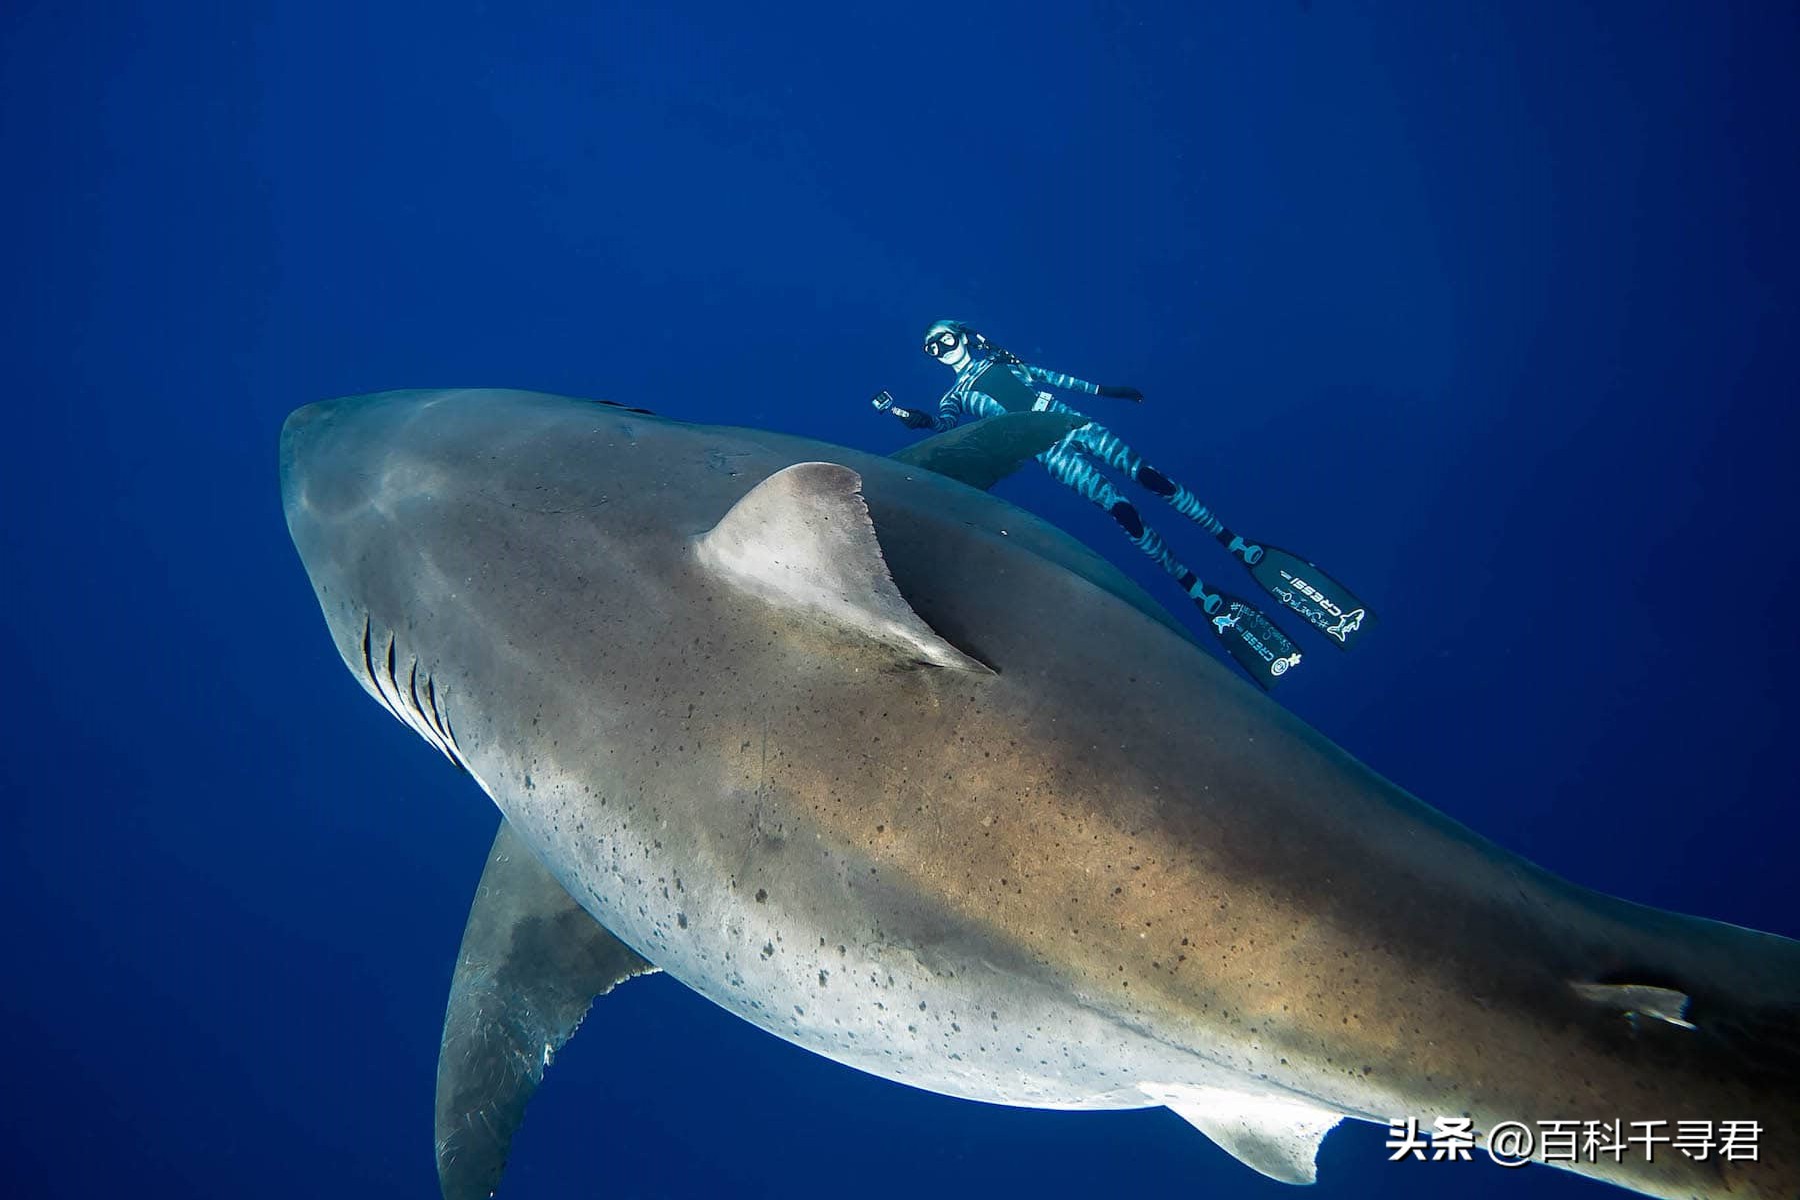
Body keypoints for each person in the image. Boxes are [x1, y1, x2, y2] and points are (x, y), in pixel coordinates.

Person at [874, 320, 1373, 688]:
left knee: (1152, 479)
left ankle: (1234, 543)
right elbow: (940, 427)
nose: (941, 350)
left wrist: (1112, 391)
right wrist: (900, 412)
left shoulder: (1005, 365)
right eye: (932, 348)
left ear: (965, 336)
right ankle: (1195, 586)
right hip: (1048, 450)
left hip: (1071, 422)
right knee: (1123, 512)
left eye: (946, 340)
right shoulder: (957, 394)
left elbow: (1064, 382)